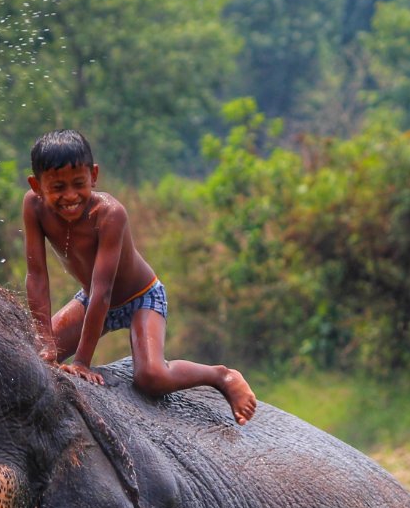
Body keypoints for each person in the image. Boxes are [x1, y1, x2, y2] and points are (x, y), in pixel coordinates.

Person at [22, 129, 257, 425]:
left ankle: (221, 375)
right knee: (31, 355)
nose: (70, 196)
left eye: (78, 184)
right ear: (37, 185)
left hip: (140, 297)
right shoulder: (33, 207)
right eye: (57, 187)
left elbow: (104, 291)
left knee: (151, 376)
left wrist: (82, 360)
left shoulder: (109, 214)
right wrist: (45, 341)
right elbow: (37, 275)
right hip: (90, 296)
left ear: (93, 176)